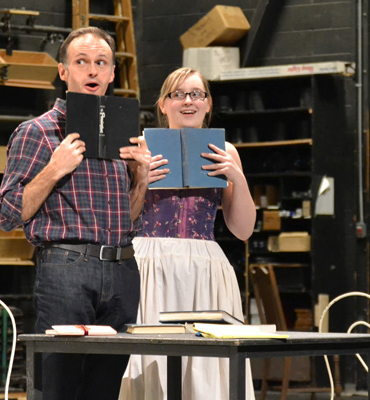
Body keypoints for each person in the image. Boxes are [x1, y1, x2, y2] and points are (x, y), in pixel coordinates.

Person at [0, 26, 150, 400]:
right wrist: (54, 168)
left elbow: (127, 221)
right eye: (82, 62)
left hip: (122, 269)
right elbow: (6, 214)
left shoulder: (123, 135)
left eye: (101, 63)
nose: (92, 71)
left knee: (104, 390)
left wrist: (141, 180)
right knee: (57, 388)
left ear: (113, 73)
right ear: (64, 71)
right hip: (67, 268)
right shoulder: (39, 132)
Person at [119, 67, 256, 400]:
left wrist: (237, 178)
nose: (188, 101)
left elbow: (242, 229)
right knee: (150, 359)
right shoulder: (139, 148)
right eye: (177, 94)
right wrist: (141, 180)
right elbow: (123, 221)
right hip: (150, 264)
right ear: (163, 105)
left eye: (196, 94)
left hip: (205, 265)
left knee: (206, 367)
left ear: (208, 104)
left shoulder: (226, 150)